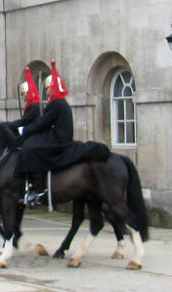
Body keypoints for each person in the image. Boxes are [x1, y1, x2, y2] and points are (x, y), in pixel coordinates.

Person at [15, 59, 108, 207]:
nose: (46, 92)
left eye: (47, 89)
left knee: (30, 149)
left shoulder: (56, 103)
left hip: (59, 139)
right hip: (57, 134)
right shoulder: (60, 102)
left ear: (52, 88)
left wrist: (25, 130)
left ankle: (38, 189)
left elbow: (43, 122)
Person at [7, 67, 43, 136]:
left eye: (23, 94)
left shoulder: (34, 106)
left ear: (27, 93)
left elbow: (24, 121)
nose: (22, 96)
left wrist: (9, 125)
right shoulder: (33, 104)